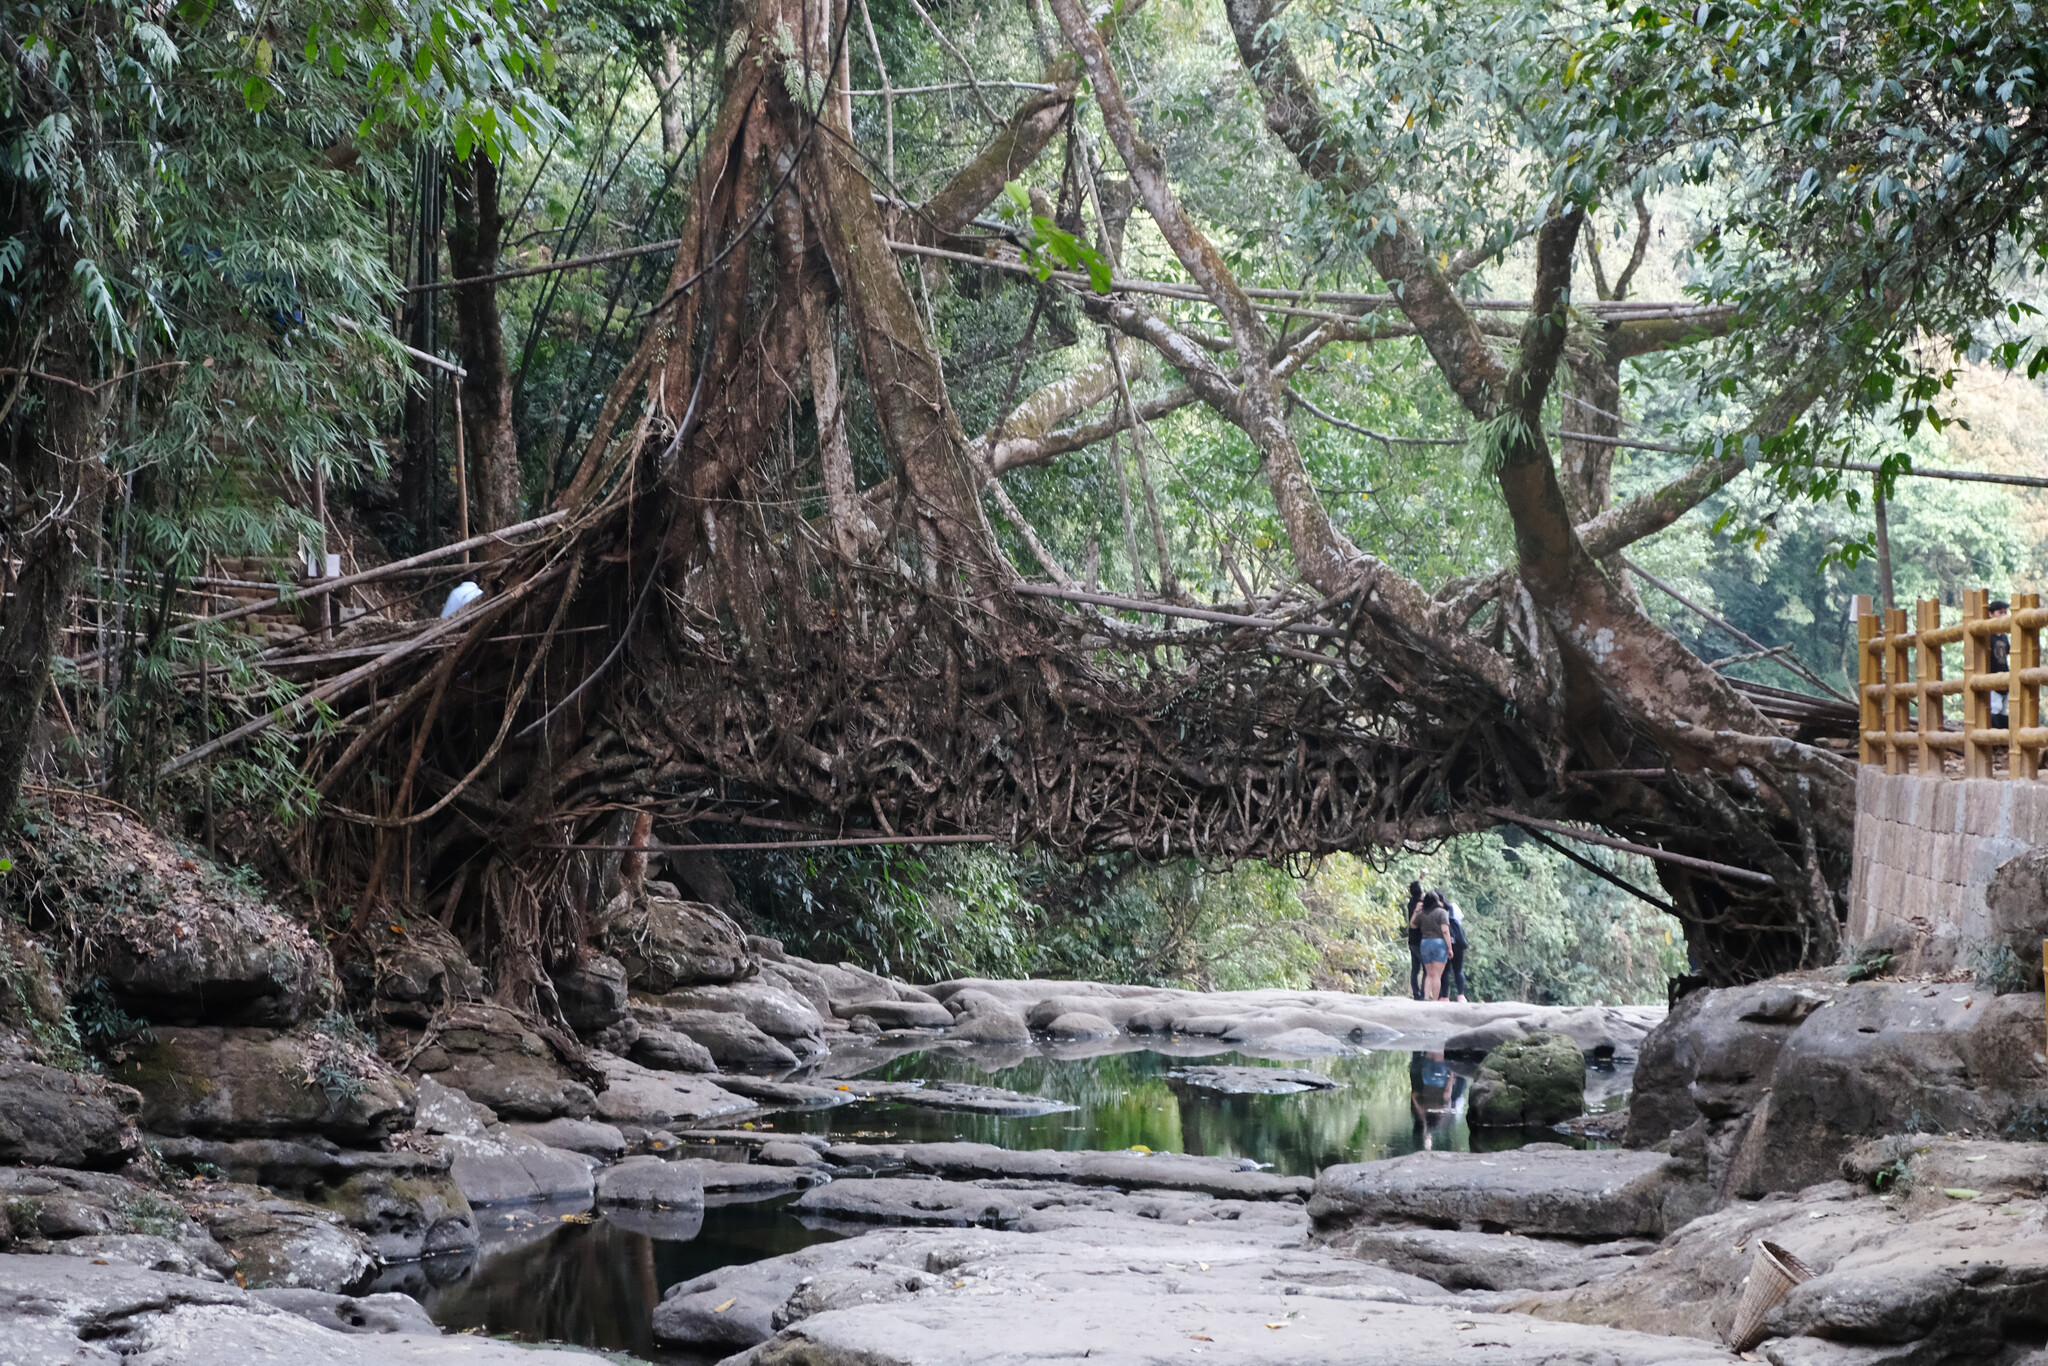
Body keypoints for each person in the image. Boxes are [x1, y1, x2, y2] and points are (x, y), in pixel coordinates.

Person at [1411, 891, 1452, 1001]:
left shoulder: (1422, 913)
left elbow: (1413, 925)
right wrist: (1449, 947)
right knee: (1437, 975)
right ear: (1436, 901)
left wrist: (1416, 910)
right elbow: (1445, 931)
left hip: (1425, 943)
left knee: (1429, 974)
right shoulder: (1442, 912)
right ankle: (1434, 1000)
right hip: (1439, 944)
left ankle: (1426, 997)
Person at [1989, 600, 2011, 730]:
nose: (2003, 615)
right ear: (1990, 614)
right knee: (1995, 707)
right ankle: (1995, 741)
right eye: (2000, 612)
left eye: (2005, 612)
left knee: (2004, 709)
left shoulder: (2004, 637)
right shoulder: (1987, 636)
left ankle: (2003, 740)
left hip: (2005, 677)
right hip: (1992, 677)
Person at [1444, 899, 1469, 1003]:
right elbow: (1460, 920)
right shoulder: (1454, 907)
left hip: (1446, 944)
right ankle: (1461, 996)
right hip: (1458, 944)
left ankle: (1444, 997)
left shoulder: (1439, 910)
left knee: (1445, 971)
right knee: (1458, 970)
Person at [1404, 880, 1426, 1001]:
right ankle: (1423, 993)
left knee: (1415, 969)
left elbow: (1416, 890)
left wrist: (1420, 878)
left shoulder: (1410, 904)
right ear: (1421, 892)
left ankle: (1416, 993)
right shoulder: (1422, 905)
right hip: (1421, 940)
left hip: (1411, 940)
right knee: (1426, 968)